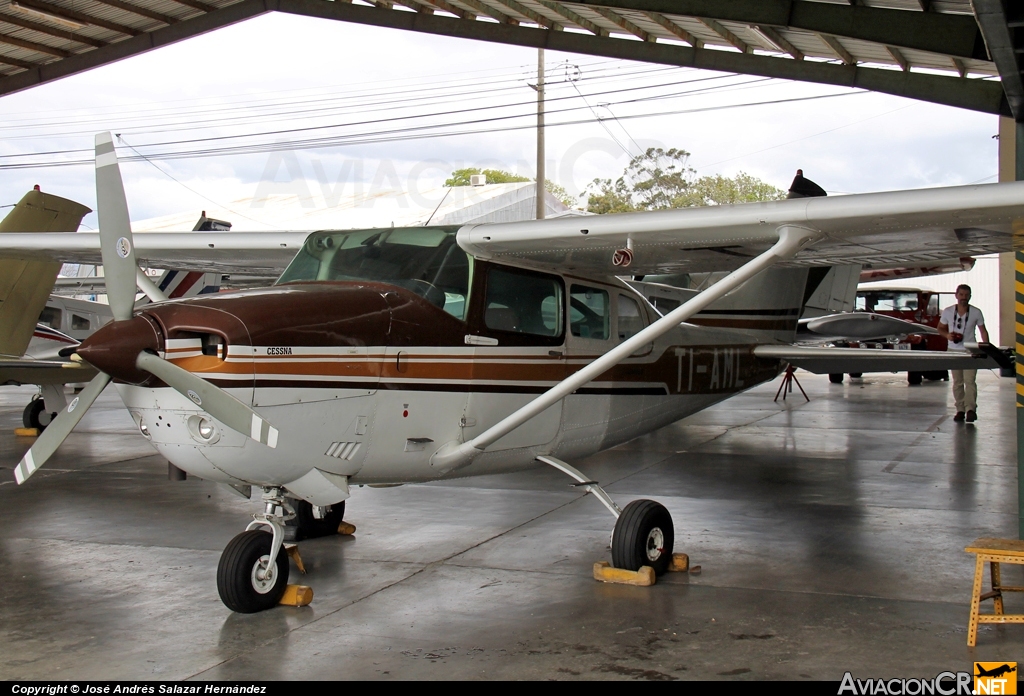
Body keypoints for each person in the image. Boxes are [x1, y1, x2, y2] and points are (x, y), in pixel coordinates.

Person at [937, 284, 990, 422]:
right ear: (956, 295)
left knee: (970, 380)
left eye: (966, 295)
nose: (963, 298)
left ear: (970, 296)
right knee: (957, 382)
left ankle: (971, 409)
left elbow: (983, 330)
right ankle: (960, 409)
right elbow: (940, 328)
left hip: (970, 350)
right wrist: (947, 335)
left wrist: (986, 348)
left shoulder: (976, 312)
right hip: (953, 351)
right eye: (961, 295)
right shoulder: (948, 311)